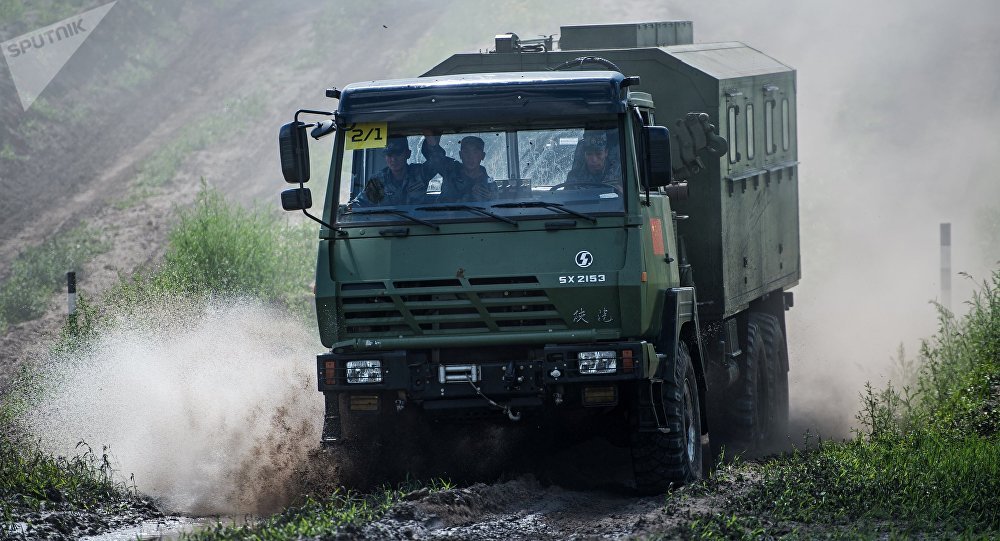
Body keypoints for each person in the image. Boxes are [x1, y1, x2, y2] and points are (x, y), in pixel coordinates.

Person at [352, 137, 438, 206]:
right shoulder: (377, 180)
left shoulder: (420, 173)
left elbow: (438, 161)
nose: (393, 159)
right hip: (388, 225)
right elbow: (359, 204)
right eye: (389, 155)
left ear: (408, 154)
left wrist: (429, 135)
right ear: (385, 157)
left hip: (420, 224)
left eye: (398, 154)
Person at [423, 134, 497, 203]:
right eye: (466, 152)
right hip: (446, 216)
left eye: (475, 152)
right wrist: (430, 134)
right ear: (460, 155)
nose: (470, 157)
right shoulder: (450, 170)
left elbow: (496, 209)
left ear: (482, 156)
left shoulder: (490, 184)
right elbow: (433, 155)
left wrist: (489, 197)